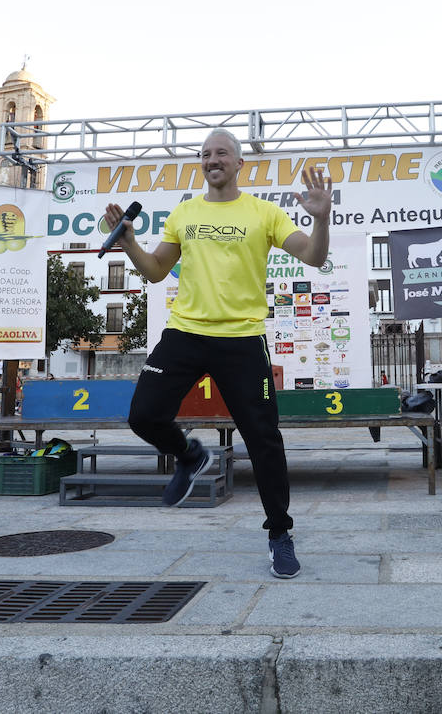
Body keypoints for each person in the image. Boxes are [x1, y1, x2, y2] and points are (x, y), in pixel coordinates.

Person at [103, 128, 330, 580]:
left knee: (264, 439)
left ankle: (279, 534)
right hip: (186, 331)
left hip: (242, 339)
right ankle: (189, 455)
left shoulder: (263, 213)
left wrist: (320, 220)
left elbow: (313, 257)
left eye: (222, 152)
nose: (213, 159)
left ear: (240, 162)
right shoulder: (184, 214)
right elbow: (154, 271)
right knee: (143, 415)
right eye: (205, 154)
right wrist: (129, 244)